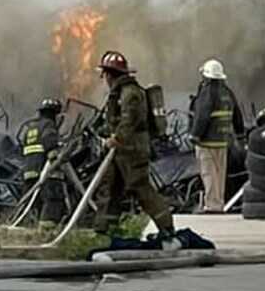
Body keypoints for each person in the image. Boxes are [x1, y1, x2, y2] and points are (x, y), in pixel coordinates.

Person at [93, 51, 175, 236]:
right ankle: (103, 232)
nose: (104, 78)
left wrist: (116, 139)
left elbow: (129, 120)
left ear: (109, 74)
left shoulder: (131, 93)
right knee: (109, 190)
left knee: (141, 189)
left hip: (133, 150)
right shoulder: (118, 92)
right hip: (120, 151)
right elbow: (112, 120)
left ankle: (167, 229)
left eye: (104, 74)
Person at [190, 58, 245, 213]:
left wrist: (195, 135)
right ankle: (218, 203)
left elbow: (202, 115)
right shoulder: (227, 92)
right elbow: (237, 115)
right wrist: (240, 135)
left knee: (208, 174)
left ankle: (212, 206)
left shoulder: (208, 92)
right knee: (219, 174)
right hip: (223, 141)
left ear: (206, 76)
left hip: (207, 142)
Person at [17, 98, 66, 224]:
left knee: (32, 202)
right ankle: (47, 229)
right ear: (52, 113)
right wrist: (58, 157)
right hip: (44, 170)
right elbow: (49, 143)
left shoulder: (30, 128)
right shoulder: (48, 125)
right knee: (52, 199)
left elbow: (23, 147)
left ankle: (28, 226)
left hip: (29, 171)